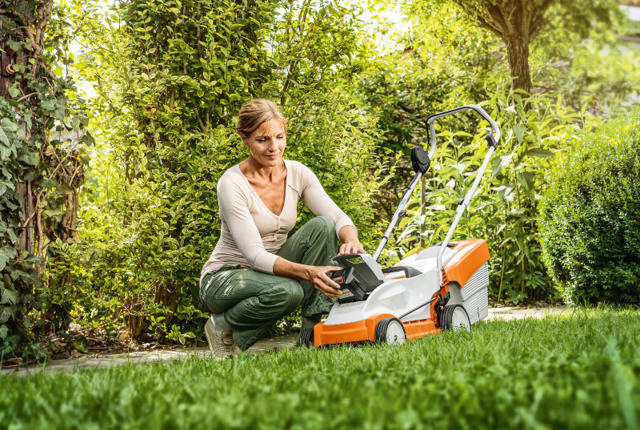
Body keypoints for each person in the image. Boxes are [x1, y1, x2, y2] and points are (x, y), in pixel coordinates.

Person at [199, 98, 365, 358]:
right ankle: (222, 326)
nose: (274, 147)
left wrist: (350, 239)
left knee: (323, 226)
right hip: (226, 277)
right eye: (262, 140)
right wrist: (310, 272)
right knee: (288, 291)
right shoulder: (231, 184)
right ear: (244, 138)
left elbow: (336, 216)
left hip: (272, 270)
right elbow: (254, 256)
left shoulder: (297, 173)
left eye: (280, 137)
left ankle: (312, 335)